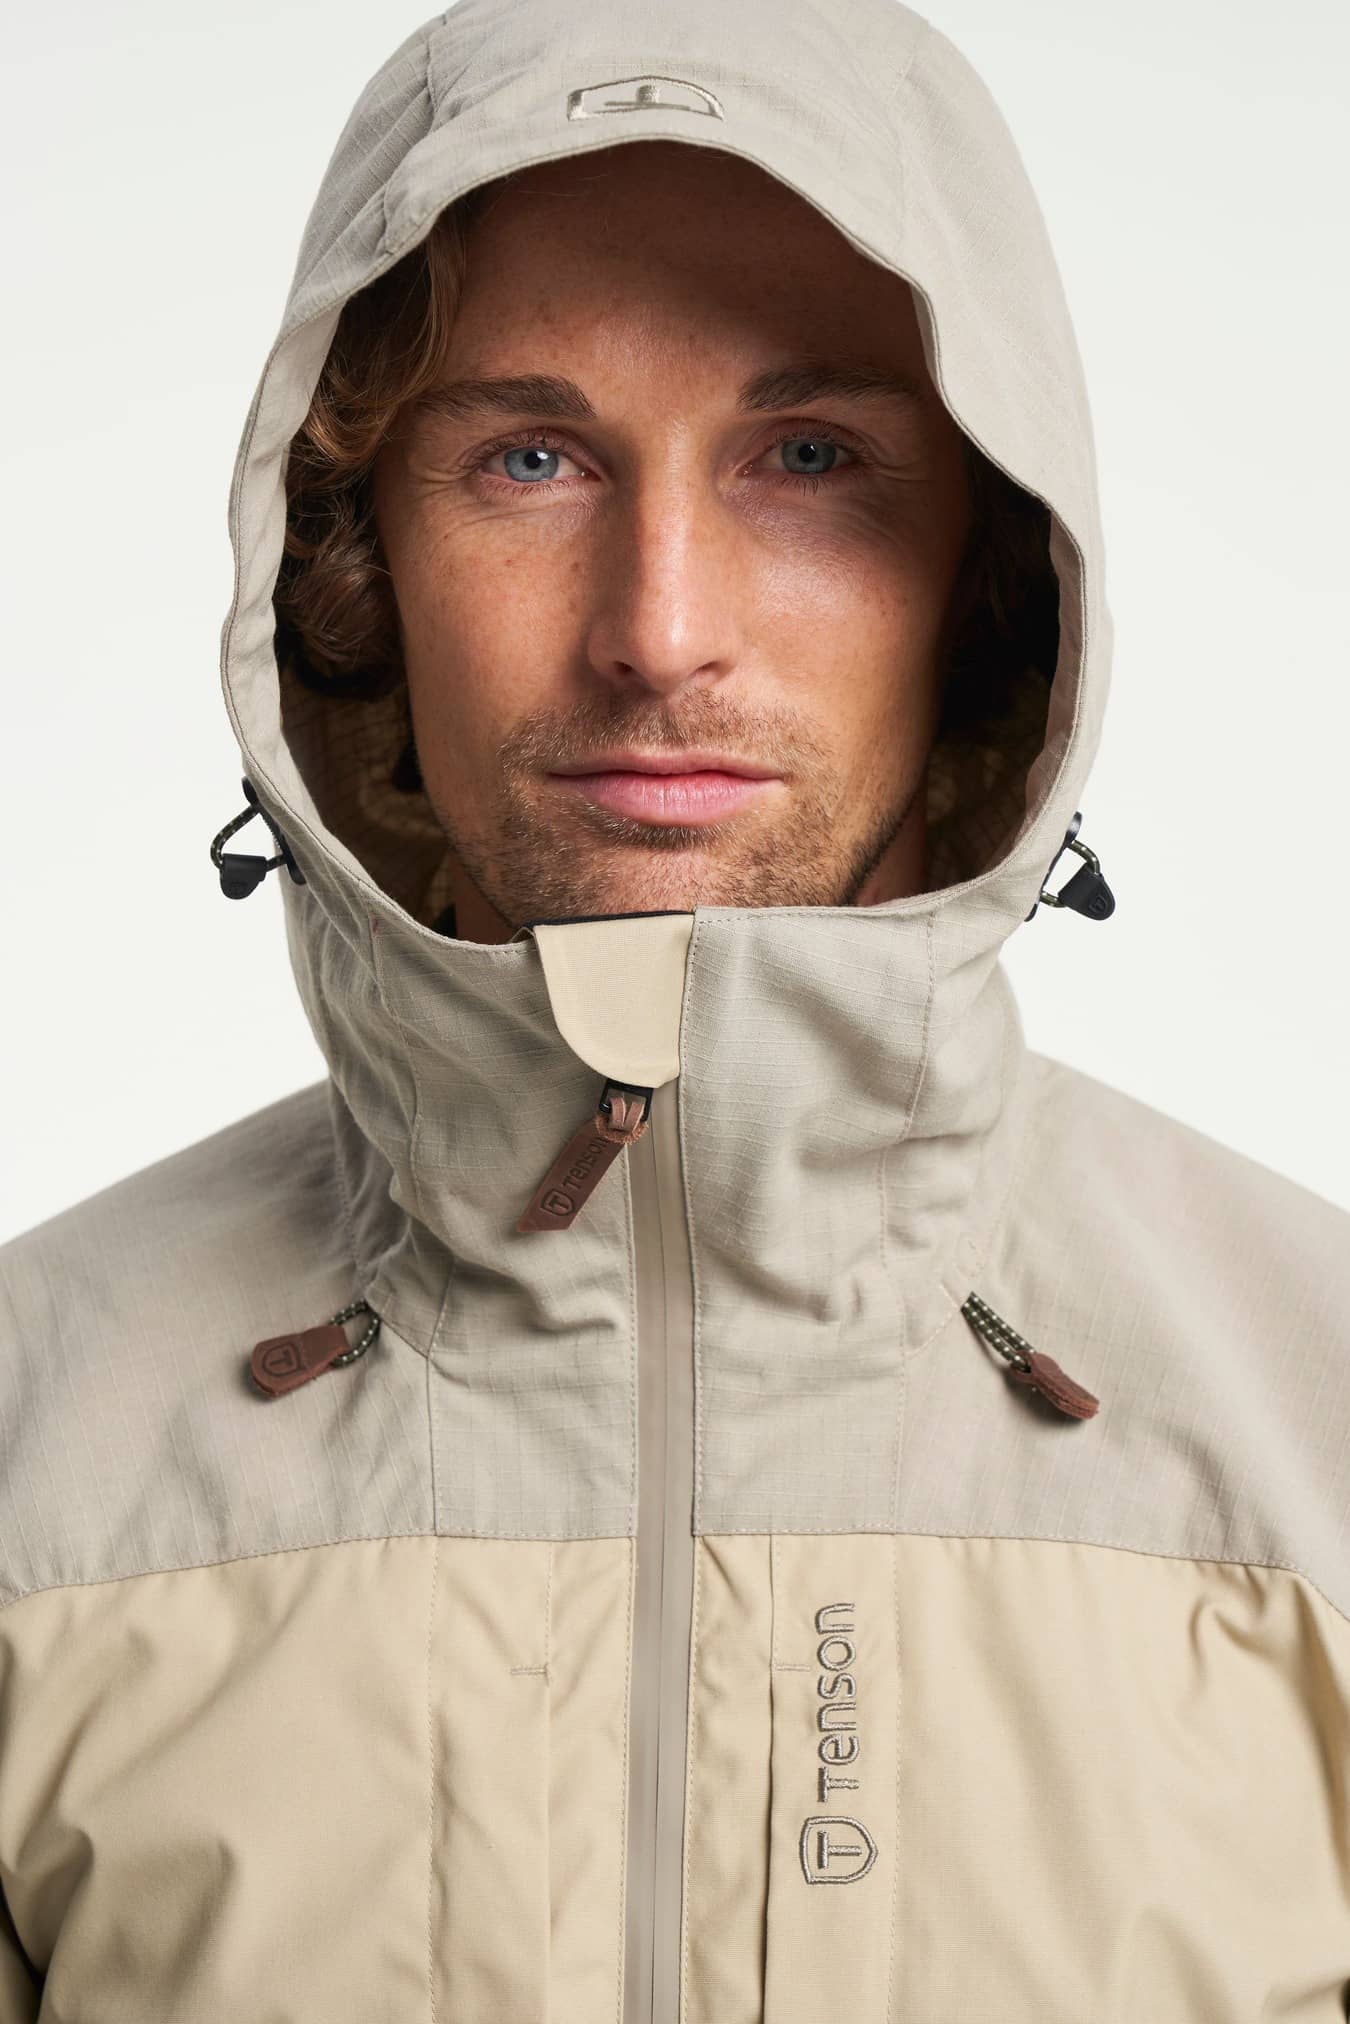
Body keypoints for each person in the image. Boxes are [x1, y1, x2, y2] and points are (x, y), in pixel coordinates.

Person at [2, 0, 1348, 2015]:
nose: (659, 629)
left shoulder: (1315, 1427)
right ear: (349, 558)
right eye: (529, 458)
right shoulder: (35, 1451)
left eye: (807, 458)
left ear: (991, 571)